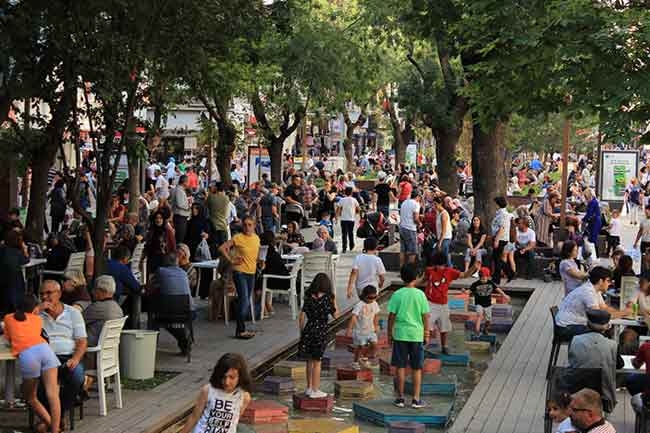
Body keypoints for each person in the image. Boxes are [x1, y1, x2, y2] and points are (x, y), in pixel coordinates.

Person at [3, 296, 61, 433]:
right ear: (35, 308)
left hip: (28, 356)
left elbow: (7, 338)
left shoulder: (8, 318)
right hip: (46, 351)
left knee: (30, 397)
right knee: (53, 394)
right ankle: (55, 429)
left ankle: (51, 425)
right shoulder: (38, 319)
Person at [38, 280, 87, 411]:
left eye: (49, 293)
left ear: (59, 294)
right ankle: (54, 419)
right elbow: (24, 331)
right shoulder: (37, 315)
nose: (44, 297)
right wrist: (36, 311)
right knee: (37, 382)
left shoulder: (73, 313)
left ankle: (59, 414)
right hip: (45, 359)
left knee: (77, 377)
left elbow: (82, 341)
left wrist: (75, 358)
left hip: (68, 357)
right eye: (42, 294)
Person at [388, 264, 430, 409]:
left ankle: (400, 398)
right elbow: (426, 317)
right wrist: (427, 333)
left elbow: (391, 317)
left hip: (400, 334)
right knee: (416, 368)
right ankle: (416, 399)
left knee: (400, 367)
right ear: (416, 277)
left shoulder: (397, 294)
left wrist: (389, 334)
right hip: (417, 335)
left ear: (402, 277)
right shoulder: (420, 294)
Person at [181, 353, 252, 433]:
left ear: (240, 377)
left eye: (232, 377)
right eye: (223, 377)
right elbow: (194, 417)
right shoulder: (208, 390)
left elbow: (233, 422)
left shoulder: (244, 397)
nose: (227, 382)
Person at [421, 252, 477, 354]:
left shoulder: (449, 271)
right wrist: (411, 284)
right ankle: (423, 346)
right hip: (429, 303)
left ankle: (444, 346)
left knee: (444, 327)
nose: (439, 267)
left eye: (441, 265)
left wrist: (473, 268)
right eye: (437, 265)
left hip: (443, 304)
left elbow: (464, 275)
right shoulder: (429, 270)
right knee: (427, 326)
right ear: (434, 264)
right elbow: (423, 280)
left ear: (445, 264)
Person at [567, 309, 623, 410]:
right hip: (602, 393)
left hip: (576, 388)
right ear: (606, 326)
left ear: (587, 324)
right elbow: (620, 365)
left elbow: (572, 359)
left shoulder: (575, 340)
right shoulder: (612, 345)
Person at [219, 216, 260, 339]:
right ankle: (240, 330)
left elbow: (255, 255)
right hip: (240, 272)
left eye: (250, 225)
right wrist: (231, 260)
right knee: (244, 300)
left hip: (251, 272)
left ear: (254, 226)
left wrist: (260, 261)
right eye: (245, 224)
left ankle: (241, 329)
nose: (247, 227)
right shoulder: (238, 238)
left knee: (246, 299)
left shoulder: (256, 238)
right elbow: (222, 248)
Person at [555, 267, 625, 340]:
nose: (610, 284)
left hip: (571, 324)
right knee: (599, 333)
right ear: (601, 281)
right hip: (565, 328)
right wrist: (625, 312)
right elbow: (599, 317)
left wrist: (622, 312)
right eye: (608, 281)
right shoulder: (588, 292)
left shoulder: (594, 289)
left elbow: (604, 308)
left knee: (604, 330)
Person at [298, 273, 339, 399]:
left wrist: (302, 332)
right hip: (320, 331)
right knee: (317, 362)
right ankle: (316, 390)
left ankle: (309, 388)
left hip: (308, 329)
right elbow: (336, 316)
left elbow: (301, 316)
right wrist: (334, 301)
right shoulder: (327, 298)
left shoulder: (309, 297)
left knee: (309, 361)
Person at [148, 252, 193, 355]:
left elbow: (150, 287)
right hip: (188, 312)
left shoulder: (160, 271)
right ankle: (184, 341)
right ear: (177, 262)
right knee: (174, 320)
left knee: (155, 317)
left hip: (168, 312)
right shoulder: (183, 273)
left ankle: (151, 346)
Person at [465, 268, 510, 337]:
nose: (483, 280)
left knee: (488, 320)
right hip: (479, 304)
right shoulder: (475, 284)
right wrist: (464, 291)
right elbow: (469, 291)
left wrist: (504, 295)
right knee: (479, 316)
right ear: (479, 277)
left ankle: (485, 329)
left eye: (485, 278)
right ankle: (477, 331)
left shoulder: (490, 283)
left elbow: (498, 289)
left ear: (488, 277)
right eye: (481, 278)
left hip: (488, 305)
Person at [83, 276, 124, 347]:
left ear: (101, 291)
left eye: (94, 289)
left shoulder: (96, 307)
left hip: (91, 347)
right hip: (108, 347)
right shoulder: (118, 308)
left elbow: (77, 321)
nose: (92, 292)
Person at [346, 285, 380, 370]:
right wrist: (349, 329)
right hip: (360, 331)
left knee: (375, 346)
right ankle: (355, 362)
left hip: (370, 330)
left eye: (374, 297)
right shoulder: (359, 305)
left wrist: (376, 326)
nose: (372, 299)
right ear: (364, 296)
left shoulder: (375, 303)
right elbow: (353, 317)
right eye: (370, 297)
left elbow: (376, 315)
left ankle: (364, 357)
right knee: (360, 347)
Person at [259, 231, 290, 316]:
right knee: (260, 280)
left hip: (277, 282)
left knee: (256, 283)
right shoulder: (273, 252)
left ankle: (263, 308)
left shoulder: (265, 253)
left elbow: (264, 269)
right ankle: (267, 306)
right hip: (286, 280)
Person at [0, 229, 29, 314]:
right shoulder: (17, 252)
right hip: (14, 283)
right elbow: (26, 260)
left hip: (3, 281)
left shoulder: (2, 250)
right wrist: (25, 250)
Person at [144, 210, 176, 274]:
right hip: (152, 259)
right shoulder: (151, 231)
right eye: (156, 218)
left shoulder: (168, 232)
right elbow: (147, 245)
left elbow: (173, 246)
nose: (158, 220)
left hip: (164, 259)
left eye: (160, 218)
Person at [399, 191, 421, 266]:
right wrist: (419, 223)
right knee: (412, 251)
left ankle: (402, 269)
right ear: (417, 196)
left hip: (402, 227)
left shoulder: (404, 202)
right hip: (410, 228)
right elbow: (416, 218)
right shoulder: (416, 204)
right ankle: (409, 270)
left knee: (403, 250)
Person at [206, 182, 231, 247]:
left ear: (216, 188)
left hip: (213, 225)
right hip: (223, 225)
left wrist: (211, 191)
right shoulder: (226, 198)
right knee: (223, 246)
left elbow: (206, 206)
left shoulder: (211, 197)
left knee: (214, 246)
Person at [336, 187, 360, 253]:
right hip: (351, 219)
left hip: (343, 219)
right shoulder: (354, 200)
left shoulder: (342, 200)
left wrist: (336, 217)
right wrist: (357, 214)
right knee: (351, 233)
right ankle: (351, 245)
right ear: (351, 193)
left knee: (344, 234)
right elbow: (358, 209)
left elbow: (338, 209)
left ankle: (344, 248)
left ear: (345, 192)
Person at [582, 189, 601, 263]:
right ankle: (594, 256)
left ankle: (595, 257)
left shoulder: (593, 202)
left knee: (592, 238)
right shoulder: (593, 201)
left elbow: (589, 213)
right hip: (594, 220)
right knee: (590, 237)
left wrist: (583, 220)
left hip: (595, 221)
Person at [170, 175, 191, 244]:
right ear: (184, 182)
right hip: (180, 217)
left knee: (180, 237)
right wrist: (188, 206)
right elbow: (180, 204)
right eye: (188, 182)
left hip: (181, 217)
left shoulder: (180, 190)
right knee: (179, 238)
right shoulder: (179, 190)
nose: (189, 184)